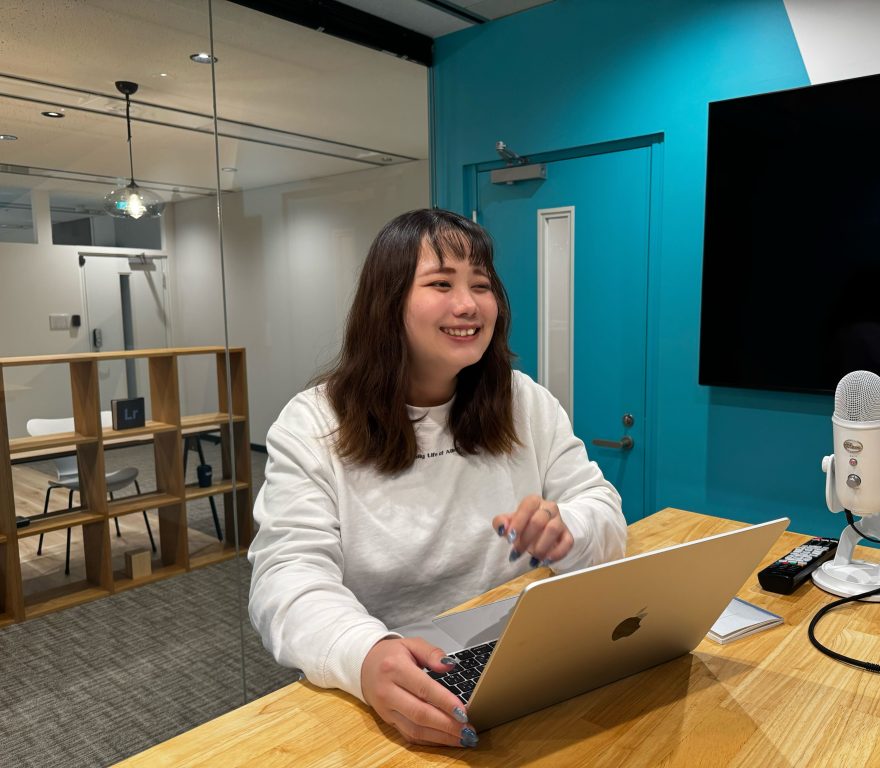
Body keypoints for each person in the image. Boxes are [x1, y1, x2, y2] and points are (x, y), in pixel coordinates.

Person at [247, 208, 627, 749]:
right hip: (394, 682)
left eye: (481, 284)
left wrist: (570, 528)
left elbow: (600, 506)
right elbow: (286, 578)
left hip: (526, 660)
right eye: (441, 284)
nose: (468, 305)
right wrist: (365, 653)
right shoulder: (313, 423)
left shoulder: (523, 400)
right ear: (388, 301)